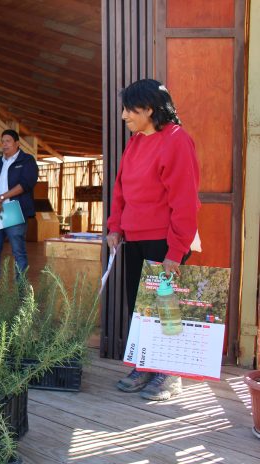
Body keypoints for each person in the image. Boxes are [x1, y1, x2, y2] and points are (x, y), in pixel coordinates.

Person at [107, 79, 200, 401]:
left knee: (166, 309)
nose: (124, 116)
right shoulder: (135, 142)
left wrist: (176, 251)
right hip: (135, 238)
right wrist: (115, 227)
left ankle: (169, 375)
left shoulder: (176, 140)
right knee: (141, 307)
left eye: (129, 109)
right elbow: (121, 189)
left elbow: (185, 200)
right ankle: (146, 365)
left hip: (163, 241)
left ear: (149, 109)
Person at [0, 129, 38, 297]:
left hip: (14, 210)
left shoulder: (26, 160)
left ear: (17, 143)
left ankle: (22, 288)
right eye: (2, 141)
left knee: (18, 251)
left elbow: (26, 184)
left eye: (8, 141)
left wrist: (2, 197)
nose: (4, 144)